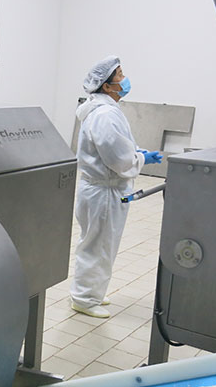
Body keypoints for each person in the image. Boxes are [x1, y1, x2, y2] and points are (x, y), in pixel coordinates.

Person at [69, 55, 162, 319]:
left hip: (103, 190)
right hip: (104, 192)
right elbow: (118, 159)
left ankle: (92, 292)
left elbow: (115, 147)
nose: (125, 79)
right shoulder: (105, 114)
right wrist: (140, 158)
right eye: (120, 75)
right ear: (107, 86)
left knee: (101, 244)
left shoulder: (103, 110)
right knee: (97, 246)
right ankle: (84, 299)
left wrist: (136, 152)